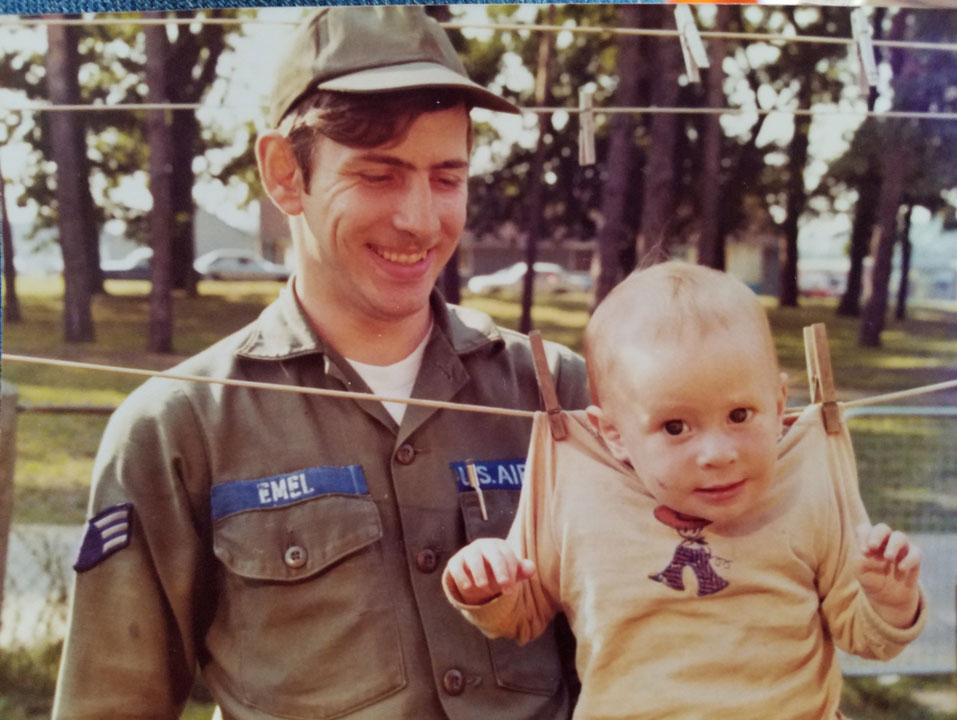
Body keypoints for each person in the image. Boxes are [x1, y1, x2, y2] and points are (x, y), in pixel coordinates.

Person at [52, 7, 589, 719]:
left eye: (447, 177)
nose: (421, 220)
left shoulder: (556, 394)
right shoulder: (179, 426)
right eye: (379, 175)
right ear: (284, 173)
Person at [443, 261, 927, 719]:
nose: (716, 453)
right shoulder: (579, 492)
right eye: (675, 427)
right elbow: (521, 616)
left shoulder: (805, 489)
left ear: (779, 404)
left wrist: (889, 601)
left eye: (740, 415)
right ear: (613, 434)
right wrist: (489, 584)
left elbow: (867, 637)